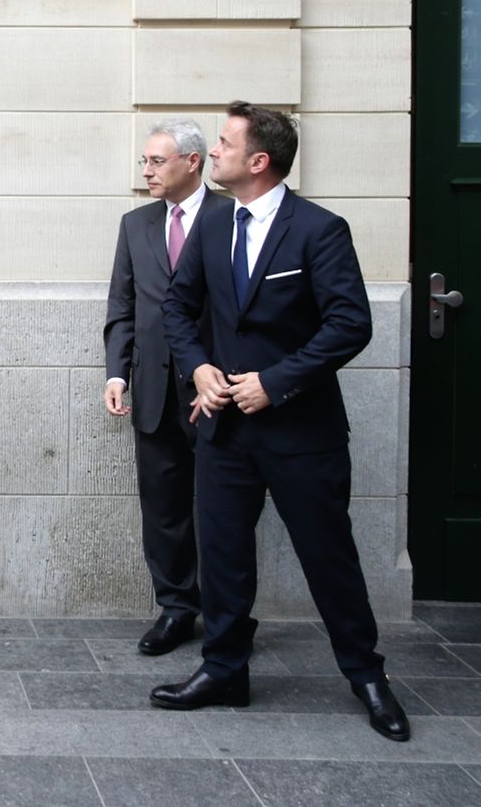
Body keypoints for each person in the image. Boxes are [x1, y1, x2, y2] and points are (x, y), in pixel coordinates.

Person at [155, 101, 410, 742]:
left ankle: (367, 676)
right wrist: (201, 371)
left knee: (330, 559)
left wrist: (276, 383)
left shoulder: (320, 230)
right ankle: (223, 670)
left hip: (302, 433)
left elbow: (351, 324)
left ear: (258, 161)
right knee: (224, 556)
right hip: (223, 430)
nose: (214, 152)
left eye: (224, 143)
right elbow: (179, 311)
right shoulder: (212, 227)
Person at [104, 119, 227, 655]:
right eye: (145, 162)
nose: (147, 171)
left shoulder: (232, 217)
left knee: (224, 508)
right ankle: (177, 609)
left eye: (157, 161)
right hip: (153, 392)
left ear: (193, 162)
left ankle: (227, 617)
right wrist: (116, 371)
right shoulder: (135, 225)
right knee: (164, 507)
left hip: (217, 391)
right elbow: (123, 307)